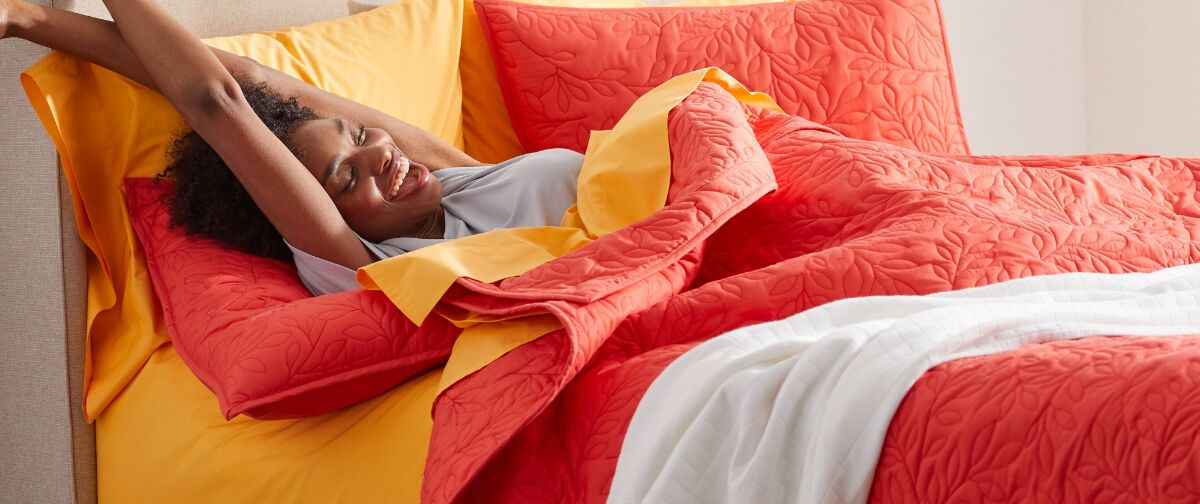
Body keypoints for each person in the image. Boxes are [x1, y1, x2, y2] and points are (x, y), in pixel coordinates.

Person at [0, 0, 584, 295]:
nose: (378, 156)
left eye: (358, 136)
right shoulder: (365, 264)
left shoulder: (459, 178)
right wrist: (25, 19)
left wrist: (33, 10)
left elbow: (258, 84)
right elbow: (217, 102)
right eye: (346, 180)